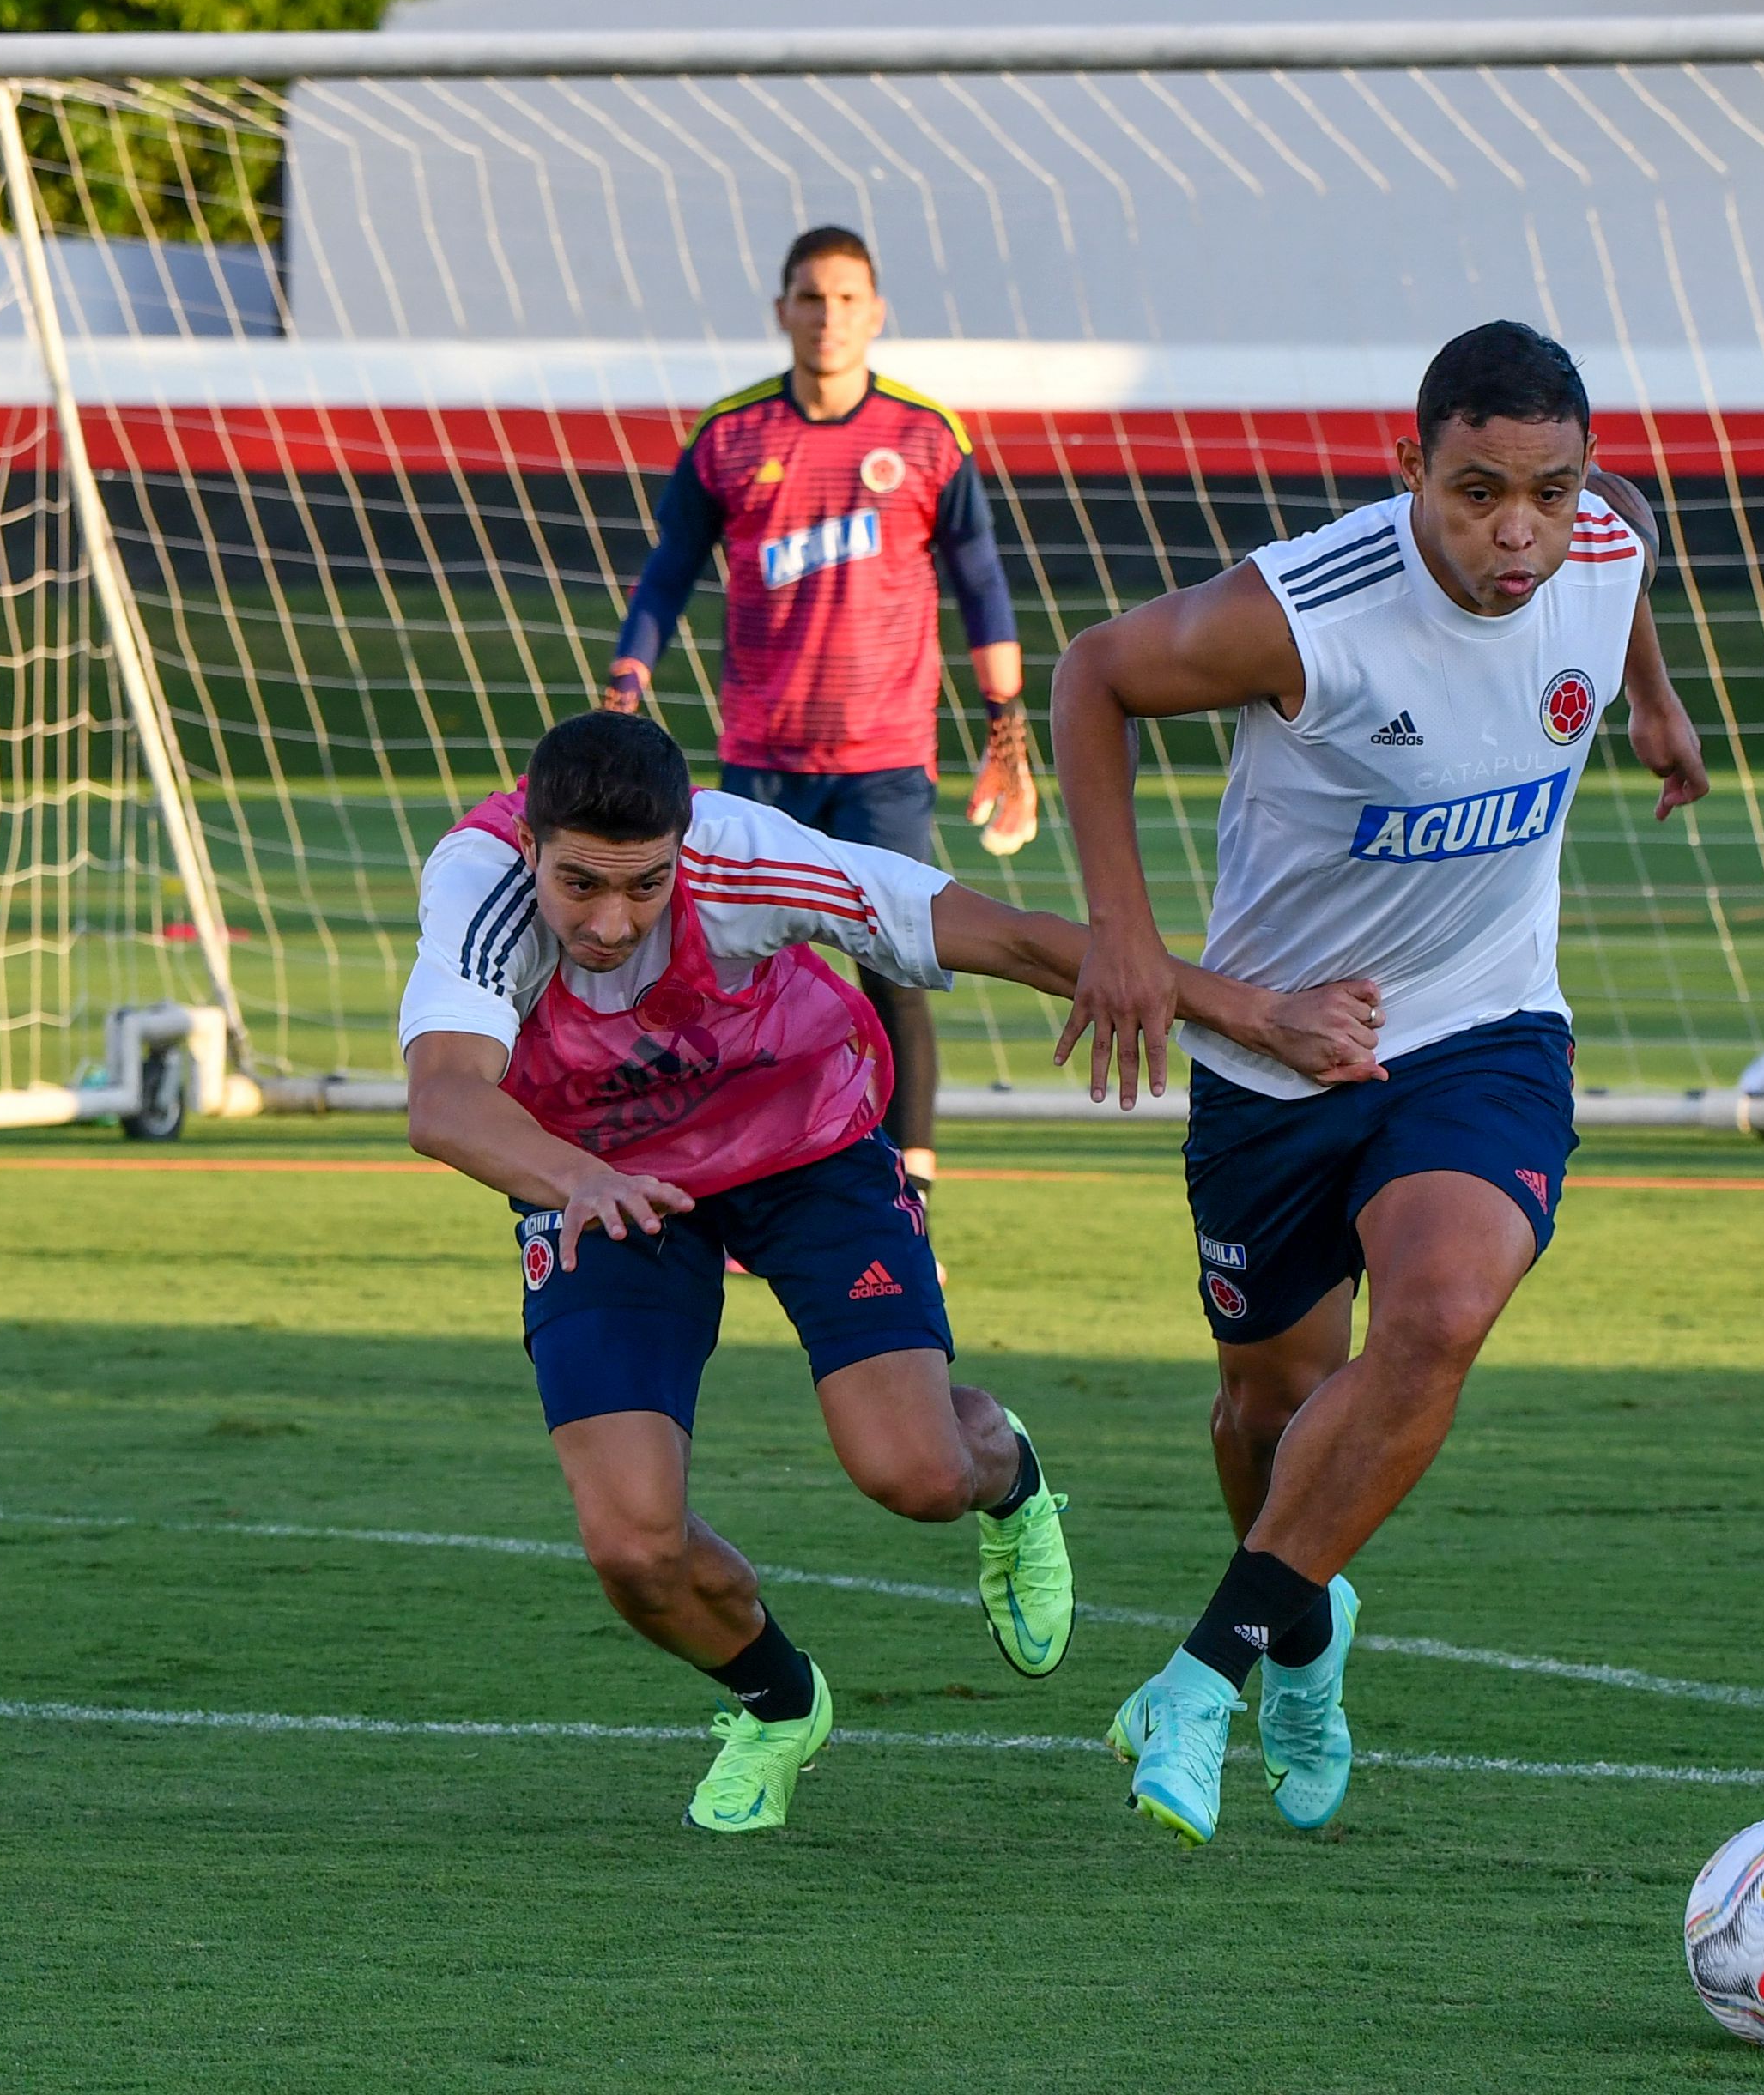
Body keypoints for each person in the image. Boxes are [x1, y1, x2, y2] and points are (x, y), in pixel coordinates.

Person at [401, 711, 1380, 1833]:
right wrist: (576, 1179)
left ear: (686, 847)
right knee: (631, 1544)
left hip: (804, 1147)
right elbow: (445, 1099)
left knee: (915, 1477)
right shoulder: (479, 886)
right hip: (602, 1184)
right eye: (579, 886)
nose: (613, 921)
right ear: (530, 846)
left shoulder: (748, 857)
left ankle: (1006, 1475)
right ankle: (778, 1705)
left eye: (645, 886)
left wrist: (1259, 1014)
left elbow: (1010, 938)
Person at [1051, 321, 1712, 1844]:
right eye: (1478, 491)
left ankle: (1207, 1671)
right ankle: (1301, 1628)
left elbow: (1618, 586)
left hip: (1485, 1027)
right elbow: (1093, 677)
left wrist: (1656, 703)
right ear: (1408, 466)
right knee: (1265, 1410)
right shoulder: (1306, 613)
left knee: (1439, 1312)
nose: (1519, 532)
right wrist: (1130, 942)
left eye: (1549, 492)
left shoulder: (1599, 544)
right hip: (1278, 1053)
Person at [601, 223, 1030, 1203]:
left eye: (845, 299)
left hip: (884, 756)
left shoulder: (929, 434)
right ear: (782, 310)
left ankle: (908, 1182)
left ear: (873, 312)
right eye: (808, 297)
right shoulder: (728, 435)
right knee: (750, 967)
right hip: (761, 756)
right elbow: (668, 570)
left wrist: (1003, 715)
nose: (826, 316)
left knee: (897, 958)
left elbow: (978, 580)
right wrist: (629, 672)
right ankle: (757, 1168)